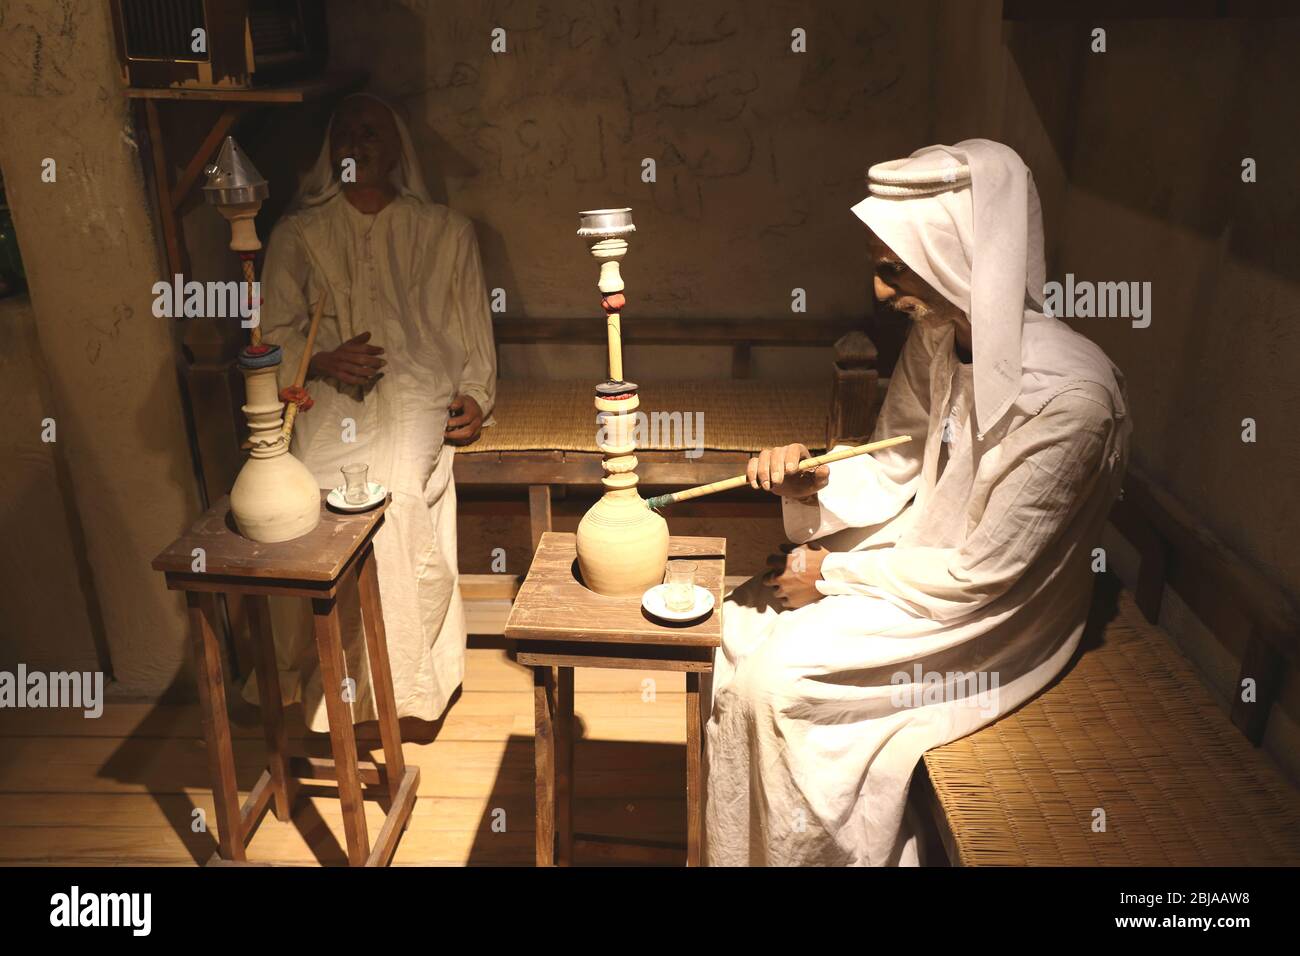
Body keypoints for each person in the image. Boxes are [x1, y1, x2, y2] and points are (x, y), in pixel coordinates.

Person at [705, 140, 1131, 866]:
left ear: (955, 252)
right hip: (921, 562)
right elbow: (897, 459)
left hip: (994, 612)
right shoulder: (940, 333)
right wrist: (814, 484)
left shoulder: (1072, 400)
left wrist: (831, 577)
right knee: (741, 623)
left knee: (782, 683)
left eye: (891, 268)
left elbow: (988, 574)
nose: (878, 292)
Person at [247, 94, 496, 731]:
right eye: (346, 133)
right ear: (331, 152)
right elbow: (269, 338)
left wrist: (475, 396)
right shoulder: (297, 234)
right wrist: (324, 360)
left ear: (398, 147)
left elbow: (472, 335)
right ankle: (316, 682)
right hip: (328, 395)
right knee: (310, 499)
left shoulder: (445, 230)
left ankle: (404, 687)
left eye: (372, 131)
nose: (359, 142)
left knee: (398, 497)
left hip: (416, 389)